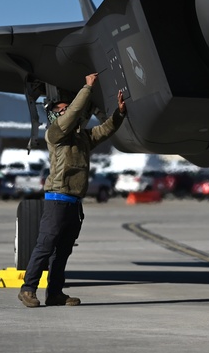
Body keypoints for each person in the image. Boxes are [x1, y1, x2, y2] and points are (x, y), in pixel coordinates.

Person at [18, 73, 126, 308]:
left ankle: (55, 293)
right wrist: (86, 89)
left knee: (63, 250)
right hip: (56, 199)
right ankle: (28, 289)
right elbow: (74, 114)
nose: (71, 112)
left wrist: (119, 113)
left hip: (73, 202)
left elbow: (105, 130)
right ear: (56, 115)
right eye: (65, 109)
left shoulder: (81, 138)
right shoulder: (55, 134)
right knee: (45, 245)